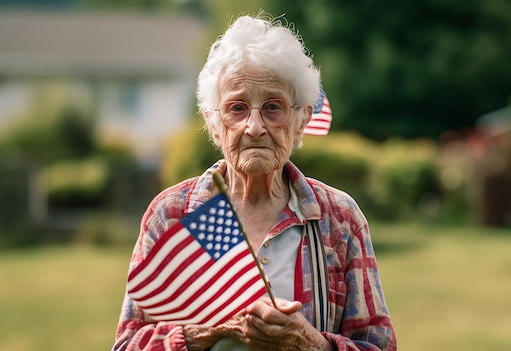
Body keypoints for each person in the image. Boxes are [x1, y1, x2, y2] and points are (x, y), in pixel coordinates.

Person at [113, 14, 397, 351]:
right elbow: (128, 344)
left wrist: (311, 344)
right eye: (237, 107)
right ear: (214, 124)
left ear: (302, 118)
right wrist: (206, 330)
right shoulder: (173, 214)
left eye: (273, 107)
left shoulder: (339, 218)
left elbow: (378, 346)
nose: (255, 126)